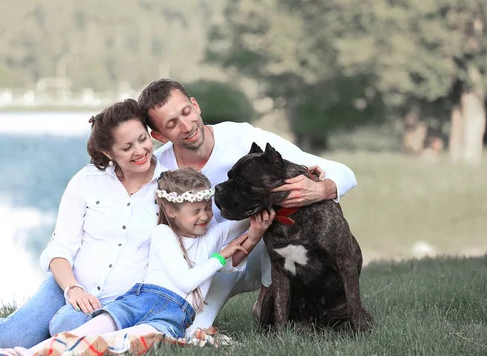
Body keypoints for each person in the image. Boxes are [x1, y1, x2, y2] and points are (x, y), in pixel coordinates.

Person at [0, 99, 169, 348]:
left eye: (142, 139)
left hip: (121, 304)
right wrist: (72, 289)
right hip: (67, 285)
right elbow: (60, 248)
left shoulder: (168, 186)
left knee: (66, 326)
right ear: (109, 153)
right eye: (127, 147)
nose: (140, 151)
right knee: (10, 339)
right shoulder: (87, 181)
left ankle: (50, 329)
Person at [137, 78, 358, 336]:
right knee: (191, 329)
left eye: (186, 112)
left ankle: (268, 301)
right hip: (204, 265)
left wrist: (322, 188)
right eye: (172, 124)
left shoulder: (241, 137)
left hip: (257, 254)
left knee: (276, 226)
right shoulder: (160, 169)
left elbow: (343, 172)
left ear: (195, 105)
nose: (186, 126)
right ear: (159, 136)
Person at [17, 168, 274, 356]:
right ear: (171, 211)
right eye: (195, 211)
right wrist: (221, 255)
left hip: (173, 315)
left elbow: (250, 215)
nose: (205, 216)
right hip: (141, 300)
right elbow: (185, 281)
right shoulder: (163, 233)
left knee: (116, 344)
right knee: (78, 336)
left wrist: (259, 225)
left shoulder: (213, 234)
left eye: (207, 208)